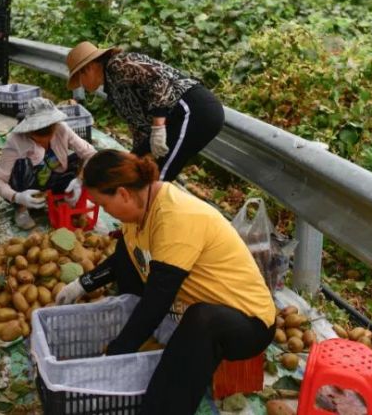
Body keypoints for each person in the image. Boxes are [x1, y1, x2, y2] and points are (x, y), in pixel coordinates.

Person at [55, 149, 275, 415]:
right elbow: (124, 260)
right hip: (198, 309)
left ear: (123, 193)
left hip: (248, 324)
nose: (104, 211)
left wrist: (114, 354)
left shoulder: (176, 217)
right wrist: (82, 284)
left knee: (201, 319)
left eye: (103, 204)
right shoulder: (137, 210)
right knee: (136, 275)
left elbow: (157, 299)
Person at [66, 41, 224, 182]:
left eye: (79, 80)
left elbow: (160, 80)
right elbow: (138, 126)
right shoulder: (112, 88)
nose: (81, 86)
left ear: (88, 68)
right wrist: (134, 157)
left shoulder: (119, 64)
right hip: (174, 119)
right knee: (141, 172)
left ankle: (152, 212)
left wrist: (158, 127)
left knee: (158, 176)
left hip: (193, 110)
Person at [0, 97, 96, 230]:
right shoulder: (15, 141)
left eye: (49, 133)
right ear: (29, 130)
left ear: (54, 126)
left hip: (55, 177)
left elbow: (90, 153)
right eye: (39, 135)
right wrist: (17, 197)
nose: (45, 139)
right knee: (21, 164)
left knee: (80, 161)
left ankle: (62, 197)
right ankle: (22, 209)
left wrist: (80, 180)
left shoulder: (61, 129)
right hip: (28, 184)